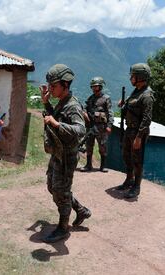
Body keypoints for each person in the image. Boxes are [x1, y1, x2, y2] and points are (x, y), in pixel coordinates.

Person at [40, 64, 91, 243]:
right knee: (53, 187)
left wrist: (56, 124)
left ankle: (63, 227)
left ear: (65, 85)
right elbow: (56, 117)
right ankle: (81, 210)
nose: (51, 89)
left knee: (61, 191)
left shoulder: (73, 105)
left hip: (67, 156)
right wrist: (46, 103)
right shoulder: (62, 102)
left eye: (53, 86)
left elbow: (80, 130)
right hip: (58, 153)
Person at [116, 63, 155, 198]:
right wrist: (124, 103)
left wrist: (139, 138)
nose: (130, 78)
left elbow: (147, 119)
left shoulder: (147, 95)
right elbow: (131, 103)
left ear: (140, 77)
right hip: (129, 130)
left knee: (137, 160)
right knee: (127, 156)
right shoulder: (136, 91)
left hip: (138, 133)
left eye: (133, 76)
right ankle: (129, 180)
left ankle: (136, 186)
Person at [79, 76, 113, 173]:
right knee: (89, 146)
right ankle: (88, 165)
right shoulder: (90, 99)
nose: (94, 88)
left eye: (96, 86)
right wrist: (84, 113)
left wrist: (109, 125)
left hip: (101, 127)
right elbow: (85, 108)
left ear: (100, 87)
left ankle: (103, 166)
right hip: (90, 126)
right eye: (93, 87)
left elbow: (110, 112)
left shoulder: (106, 99)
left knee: (102, 146)